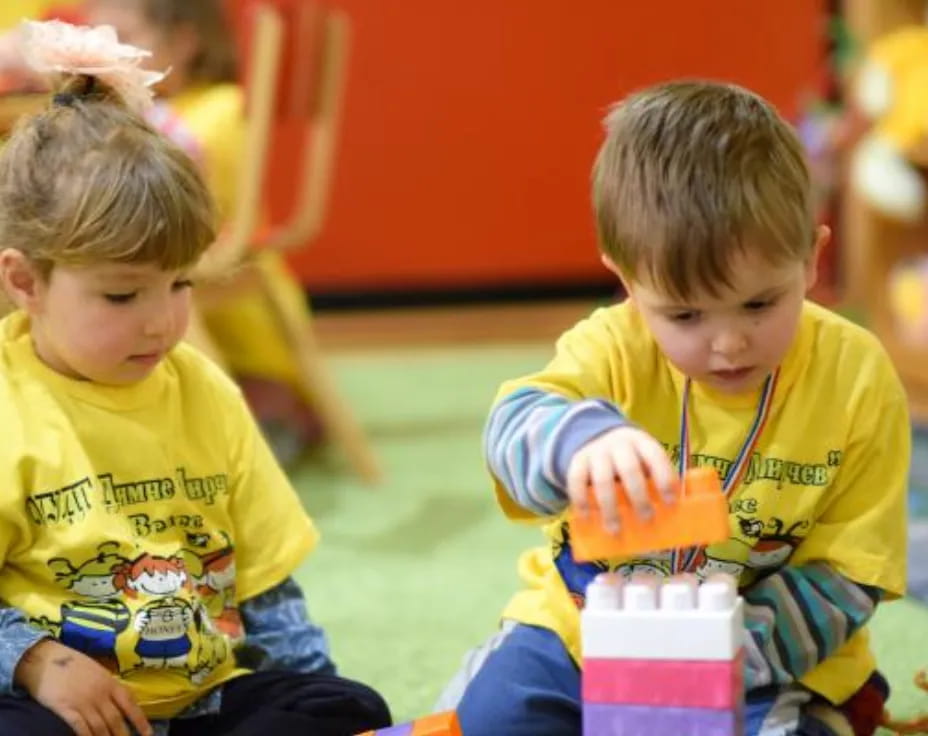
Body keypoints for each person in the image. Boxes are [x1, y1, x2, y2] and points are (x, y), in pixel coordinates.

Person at [437, 80, 910, 736]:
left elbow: (852, 574)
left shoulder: (856, 376)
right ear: (629, 282)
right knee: (492, 721)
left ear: (810, 259)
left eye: (758, 304)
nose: (727, 342)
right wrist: (581, 441)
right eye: (685, 314)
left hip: (761, 656)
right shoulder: (611, 346)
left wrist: (717, 658)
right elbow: (513, 426)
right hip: (584, 633)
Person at [0, 20, 390, 736]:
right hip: (56, 708)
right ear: (26, 281)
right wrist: (35, 662)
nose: (161, 322)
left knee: (346, 710)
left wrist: (319, 695)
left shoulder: (203, 389)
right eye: (122, 296)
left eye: (179, 284)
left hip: (201, 702)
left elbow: (269, 586)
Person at [83, 0, 324, 466]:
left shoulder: (219, 108)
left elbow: (186, 189)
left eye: (121, 38)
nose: (106, 57)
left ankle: (264, 421)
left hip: (233, 308)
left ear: (183, 41)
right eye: (96, 41)